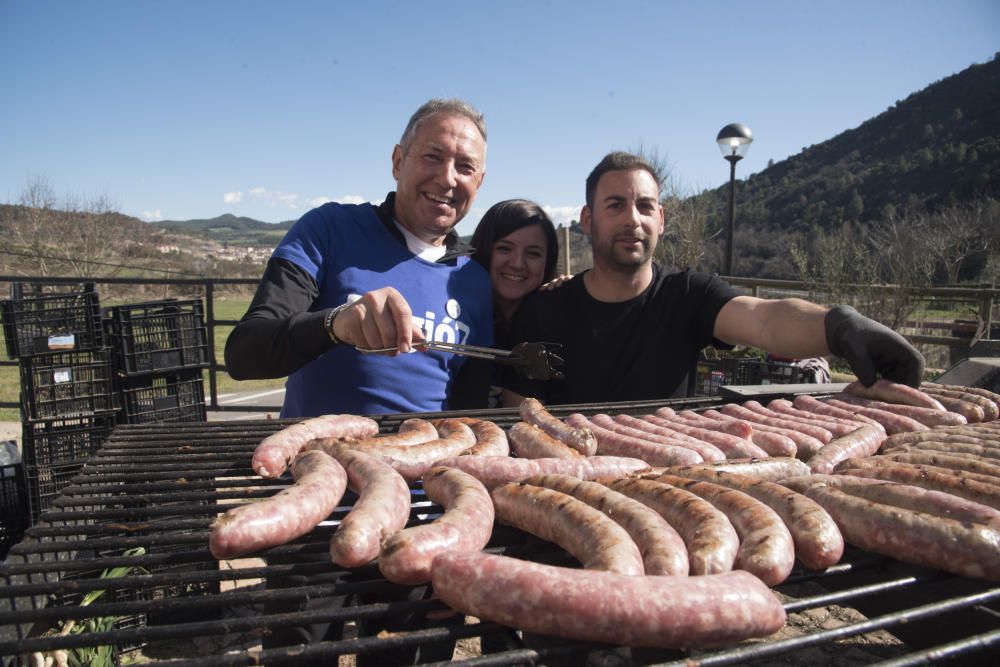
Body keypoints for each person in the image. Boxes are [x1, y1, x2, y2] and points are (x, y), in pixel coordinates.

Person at [501, 151, 924, 406]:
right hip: (567, 487)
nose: (633, 219)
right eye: (616, 205)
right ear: (588, 220)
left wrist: (838, 326)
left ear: (661, 220)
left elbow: (764, 319)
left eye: (646, 206)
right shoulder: (545, 309)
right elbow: (518, 409)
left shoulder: (688, 294)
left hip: (673, 483)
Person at [225, 98, 494, 416]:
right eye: (433, 157)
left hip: (427, 459)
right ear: (398, 161)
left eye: (465, 167)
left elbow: (471, 400)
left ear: (479, 182)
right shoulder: (329, 229)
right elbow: (243, 354)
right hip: (320, 459)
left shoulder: (474, 279)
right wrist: (334, 325)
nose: (448, 178)